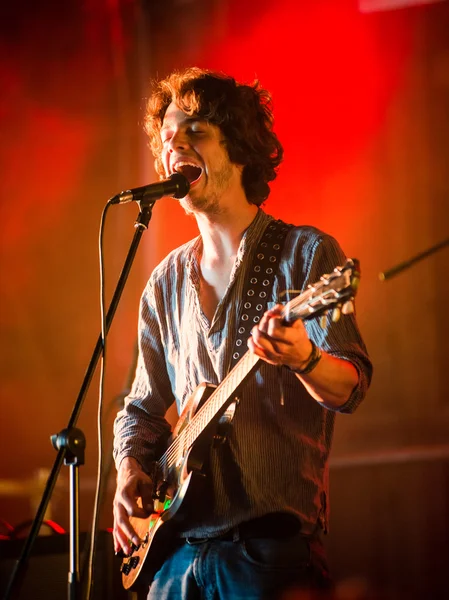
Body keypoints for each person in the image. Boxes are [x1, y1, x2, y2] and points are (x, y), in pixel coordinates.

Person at [112, 67, 372, 599]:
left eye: (196, 133)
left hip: (267, 557)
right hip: (174, 559)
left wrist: (304, 360)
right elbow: (139, 409)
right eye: (168, 138)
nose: (175, 145)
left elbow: (351, 386)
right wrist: (128, 470)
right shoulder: (162, 283)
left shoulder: (307, 255)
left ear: (240, 148)